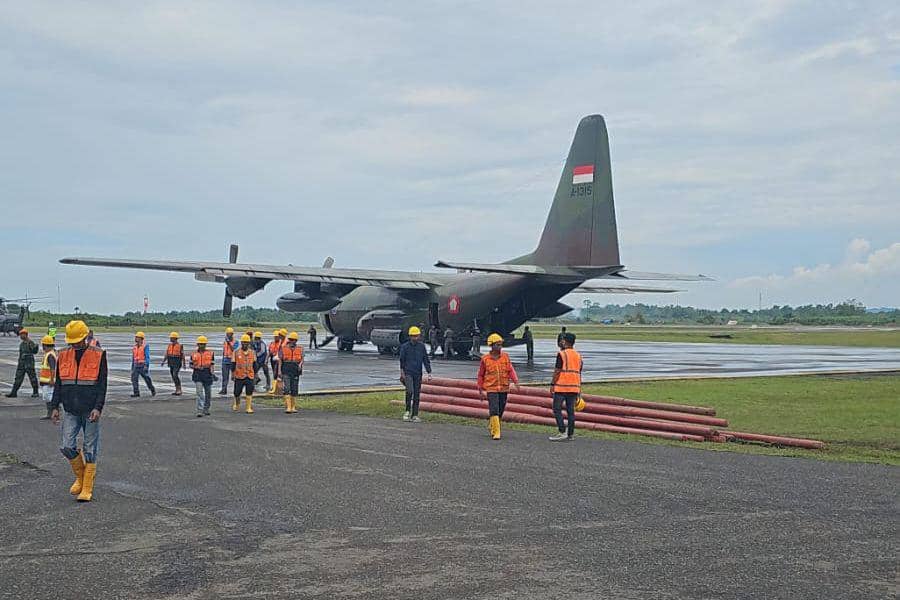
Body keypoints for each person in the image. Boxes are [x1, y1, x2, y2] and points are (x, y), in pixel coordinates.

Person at [50, 319, 108, 502]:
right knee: (66, 446)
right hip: (70, 410)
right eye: (71, 342)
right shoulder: (63, 354)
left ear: (85, 338)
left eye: (77, 341)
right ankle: (81, 477)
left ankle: (87, 487)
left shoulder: (98, 354)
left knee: (90, 449)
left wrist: (98, 408)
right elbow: (59, 383)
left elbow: (102, 385)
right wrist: (54, 406)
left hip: (90, 410)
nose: (74, 345)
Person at [477, 333, 519, 440]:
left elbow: (510, 370)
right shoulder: (485, 359)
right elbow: (481, 375)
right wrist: (480, 388)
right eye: (497, 345)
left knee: (501, 409)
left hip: (503, 388)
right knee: (494, 409)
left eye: (501, 344)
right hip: (491, 388)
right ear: (491, 345)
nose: (500, 347)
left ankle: (494, 424)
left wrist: (515, 381)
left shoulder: (505, 357)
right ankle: (496, 432)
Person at [550, 332, 582, 441]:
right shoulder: (578, 355)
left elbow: (557, 371)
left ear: (565, 341)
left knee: (556, 409)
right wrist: (579, 389)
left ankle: (562, 431)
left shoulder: (562, 354)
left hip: (562, 386)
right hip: (574, 387)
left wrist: (552, 384)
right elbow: (579, 372)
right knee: (570, 411)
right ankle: (570, 434)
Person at [399, 326, 432, 422]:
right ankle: (407, 411)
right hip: (408, 372)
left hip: (418, 373)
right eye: (413, 336)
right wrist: (402, 373)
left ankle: (415, 414)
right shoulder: (405, 347)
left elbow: (425, 359)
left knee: (417, 394)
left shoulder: (421, 347)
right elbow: (402, 360)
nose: (415, 338)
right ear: (410, 336)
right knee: (410, 391)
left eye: (416, 336)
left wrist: (429, 372)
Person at [5, 328, 39, 398]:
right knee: (18, 378)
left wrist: (36, 347)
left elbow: (34, 351)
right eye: (20, 335)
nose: (20, 336)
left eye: (22, 334)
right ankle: (14, 392)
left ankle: (35, 392)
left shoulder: (30, 342)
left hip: (29, 363)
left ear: (26, 335)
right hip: (22, 363)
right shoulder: (22, 344)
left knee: (32, 378)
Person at [190, 335, 215, 417]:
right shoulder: (193, 354)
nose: (202, 345)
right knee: (199, 393)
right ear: (197, 344)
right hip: (197, 374)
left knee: (208, 394)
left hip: (207, 374)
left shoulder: (210, 353)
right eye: (200, 344)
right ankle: (200, 410)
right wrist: (196, 367)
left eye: (203, 344)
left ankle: (206, 409)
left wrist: (212, 373)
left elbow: (212, 365)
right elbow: (190, 364)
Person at [279, 331, 303, 414]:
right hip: (286, 369)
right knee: (287, 388)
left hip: (295, 370)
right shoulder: (283, 348)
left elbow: (302, 359)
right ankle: (288, 407)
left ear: (296, 341)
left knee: (294, 388)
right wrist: (279, 371)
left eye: (294, 340)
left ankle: (293, 407)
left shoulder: (300, 349)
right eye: (291, 339)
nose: (292, 341)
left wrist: (300, 365)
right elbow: (280, 361)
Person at [232, 334, 256, 414]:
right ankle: (237, 403)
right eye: (243, 342)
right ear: (241, 343)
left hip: (249, 375)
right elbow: (233, 364)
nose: (245, 344)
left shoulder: (252, 352)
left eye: (246, 343)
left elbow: (255, 364)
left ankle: (248, 407)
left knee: (249, 391)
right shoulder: (236, 352)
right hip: (239, 375)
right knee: (237, 392)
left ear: (249, 343)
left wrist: (255, 374)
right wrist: (233, 374)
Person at [129, 331, 156, 397]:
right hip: (136, 365)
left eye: (137, 337)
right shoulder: (135, 347)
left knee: (147, 379)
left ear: (141, 338)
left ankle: (152, 389)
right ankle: (136, 393)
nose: (135, 338)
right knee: (134, 379)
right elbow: (133, 358)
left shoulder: (145, 346)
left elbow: (147, 356)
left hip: (142, 365)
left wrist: (146, 365)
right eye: (135, 337)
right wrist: (132, 367)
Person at [38, 334, 57, 419]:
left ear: (45, 345)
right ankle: (50, 412)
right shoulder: (48, 354)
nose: (43, 347)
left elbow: (53, 369)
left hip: (49, 381)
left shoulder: (50, 355)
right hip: (46, 381)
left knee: (48, 397)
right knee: (46, 397)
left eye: (43, 345)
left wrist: (52, 379)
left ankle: (55, 410)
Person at [161, 331, 186, 396]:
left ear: (175, 338)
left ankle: (179, 389)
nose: (170, 339)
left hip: (177, 362)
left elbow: (183, 355)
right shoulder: (169, 345)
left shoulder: (180, 346)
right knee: (173, 376)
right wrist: (163, 361)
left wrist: (184, 363)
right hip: (171, 362)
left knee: (175, 375)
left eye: (171, 337)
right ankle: (177, 389)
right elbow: (167, 354)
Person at [219, 327, 237, 395]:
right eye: (227, 334)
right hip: (225, 360)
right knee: (225, 376)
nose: (228, 335)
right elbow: (224, 351)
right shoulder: (225, 342)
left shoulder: (236, 342)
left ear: (232, 334)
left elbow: (234, 350)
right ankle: (224, 389)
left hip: (233, 361)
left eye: (229, 334)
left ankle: (236, 390)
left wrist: (229, 342)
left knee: (235, 376)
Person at [268, 329, 283, 394]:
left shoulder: (281, 343)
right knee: (274, 373)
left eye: (277, 336)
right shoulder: (272, 343)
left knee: (276, 373)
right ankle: (275, 387)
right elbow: (269, 352)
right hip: (272, 359)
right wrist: (266, 359)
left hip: (278, 359)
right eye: (275, 336)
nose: (275, 338)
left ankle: (275, 388)